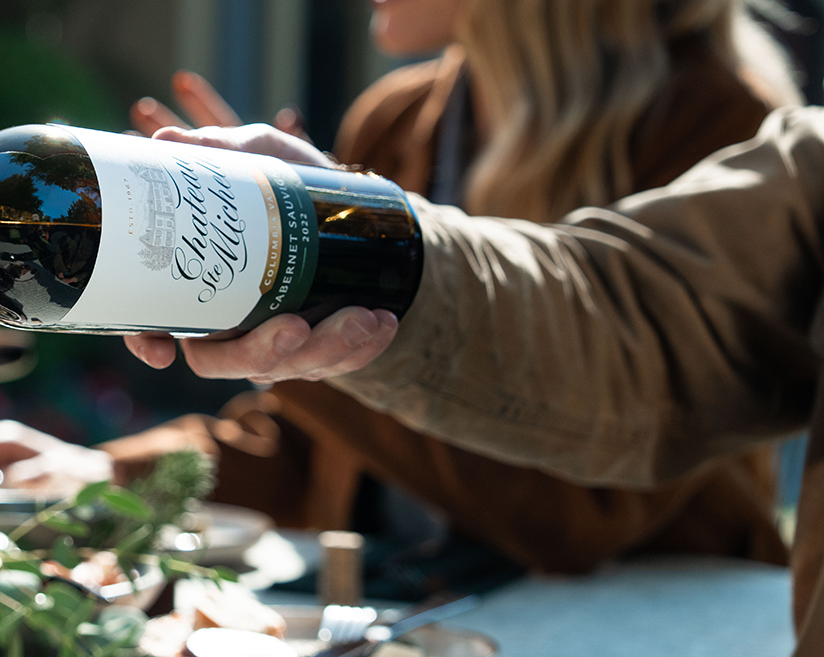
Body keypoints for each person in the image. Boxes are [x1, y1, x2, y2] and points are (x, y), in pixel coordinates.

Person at [0, 0, 799, 584]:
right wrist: (115, 472)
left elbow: (581, 517)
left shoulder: (719, 132)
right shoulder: (396, 121)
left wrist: (311, 279)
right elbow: (329, 446)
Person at [125, 107, 824, 649]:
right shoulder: (401, 117)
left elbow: (582, 512)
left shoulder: (694, 113)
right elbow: (627, 328)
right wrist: (346, 240)